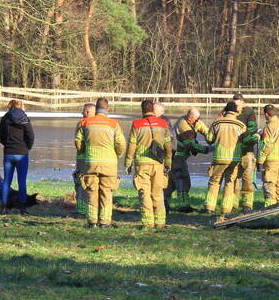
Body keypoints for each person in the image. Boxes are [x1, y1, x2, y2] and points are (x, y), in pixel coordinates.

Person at [76, 97, 126, 228]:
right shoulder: (114, 124)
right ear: (107, 109)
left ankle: (92, 221)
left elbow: (78, 142)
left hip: (91, 163)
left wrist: (84, 152)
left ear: (96, 108)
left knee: (92, 192)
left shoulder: (85, 123)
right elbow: (121, 144)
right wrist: (117, 155)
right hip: (109, 164)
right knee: (106, 192)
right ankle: (104, 222)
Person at [124, 99, 173, 228]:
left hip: (142, 164)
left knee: (144, 193)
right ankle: (160, 222)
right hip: (158, 164)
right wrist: (168, 163)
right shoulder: (163, 124)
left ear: (142, 110)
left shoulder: (136, 124)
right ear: (153, 110)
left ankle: (148, 223)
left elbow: (131, 145)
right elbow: (168, 146)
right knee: (158, 193)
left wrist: (128, 163)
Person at [205, 100, 247, 214]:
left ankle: (209, 207)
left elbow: (209, 139)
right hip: (234, 159)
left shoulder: (216, 122)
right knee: (230, 182)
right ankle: (226, 208)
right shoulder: (241, 125)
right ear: (236, 111)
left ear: (225, 110)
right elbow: (244, 141)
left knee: (214, 182)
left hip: (219, 158)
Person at [167, 107, 212, 211]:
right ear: (190, 118)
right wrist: (208, 149)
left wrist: (206, 132)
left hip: (174, 157)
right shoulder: (184, 127)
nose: (198, 121)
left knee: (171, 183)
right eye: (196, 119)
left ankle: (165, 204)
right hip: (177, 158)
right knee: (183, 180)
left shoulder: (187, 121)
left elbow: (206, 132)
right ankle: (183, 206)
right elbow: (192, 145)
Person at [0, 99, 35, 214]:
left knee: (6, 181)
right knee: (21, 181)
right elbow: (30, 135)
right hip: (22, 153)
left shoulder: (5, 118)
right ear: (20, 106)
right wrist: (27, 147)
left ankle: (3, 208)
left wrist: (6, 144)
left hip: (8, 152)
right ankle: (23, 208)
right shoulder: (25, 118)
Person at [258, 104, 279, 206]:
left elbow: (267, 145)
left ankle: (270, 207)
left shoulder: (269, 127)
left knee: (269, 184)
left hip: (271, 161)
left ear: (266, 114)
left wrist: (260, 161)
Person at [233, 93, 260, 211]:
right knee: (233, 179)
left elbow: (253, 128)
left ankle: (247, 204)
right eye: (234, 105)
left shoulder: (249, 112)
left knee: (247, 179)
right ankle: (233, 204)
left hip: (247, 150)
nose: (236, 108)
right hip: (233, 150)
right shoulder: (228, 111)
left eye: (238, 105)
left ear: (243, 102)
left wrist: (242, 135)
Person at [73, 103, 96, 217]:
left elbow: (78, 142)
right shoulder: (99, 124)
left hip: (82, 160)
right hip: (95, 160)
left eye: (83, 111)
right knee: (93, 185)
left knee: (81, 184)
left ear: (87, 112)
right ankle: (93, 209)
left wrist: (82, 151)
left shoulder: (82, 123)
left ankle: (81, 210)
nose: (81, 113)